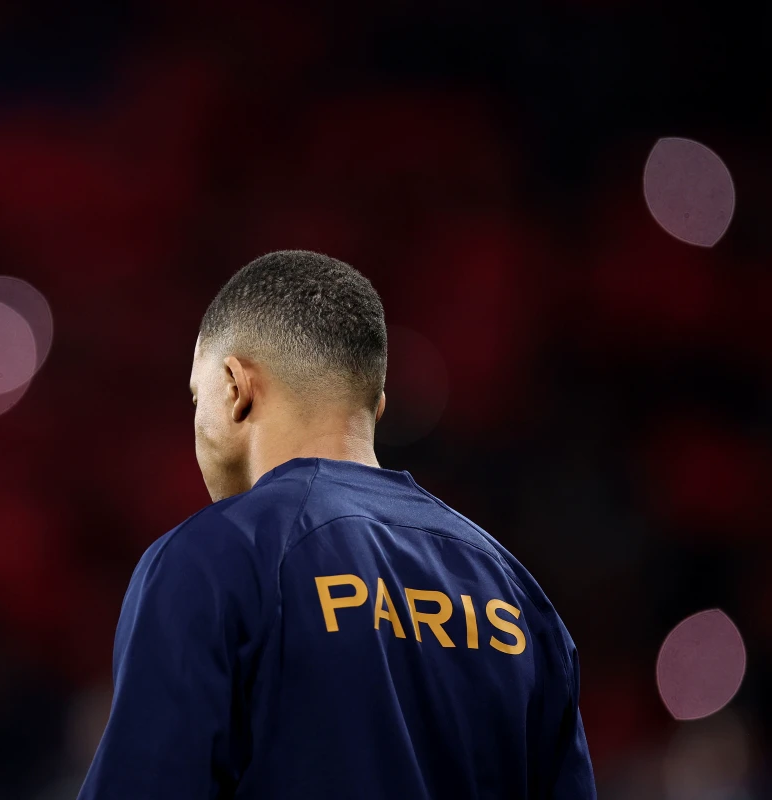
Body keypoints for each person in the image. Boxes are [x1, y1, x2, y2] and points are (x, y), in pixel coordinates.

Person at [78, 250, 595, 799]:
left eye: (194, 396)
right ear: (377, 405)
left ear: (234, 387)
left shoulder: (212, 558)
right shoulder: (516, 594)